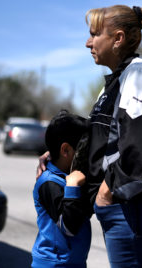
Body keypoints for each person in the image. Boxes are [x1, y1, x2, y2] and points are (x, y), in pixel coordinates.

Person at [38, 5, 142, 267]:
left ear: (118, 38)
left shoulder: (139, 74)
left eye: (94, 34)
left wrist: (108, 192)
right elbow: (96, 136)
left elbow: (141, 147)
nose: (87, 42)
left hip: (135, 205)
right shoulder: (119, 79)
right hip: (124, 204)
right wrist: (56, 153)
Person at [32, 110, 92, 268]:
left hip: (73, 262)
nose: (87, 154)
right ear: (65, 150)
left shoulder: (71, 174)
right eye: (83, 148)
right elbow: (68, 226)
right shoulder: (49, 182)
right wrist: (72, 188)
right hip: (53, 263)